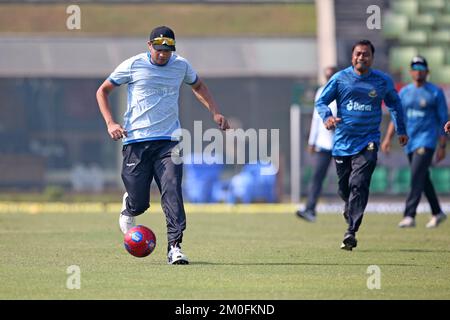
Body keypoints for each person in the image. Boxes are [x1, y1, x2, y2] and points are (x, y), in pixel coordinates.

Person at [96, 26, 230, 264]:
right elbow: (103, 91)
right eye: (159, 49)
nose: (163, 55)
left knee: (172, 189)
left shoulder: (181, 66)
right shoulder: (133, 65)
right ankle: (130, 205)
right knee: (140, 202)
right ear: (149, 46)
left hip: (169, 141)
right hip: (136, 141)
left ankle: (175, 247)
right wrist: (110, 123)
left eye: (167, 50)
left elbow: (199, 86)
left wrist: (215, 112)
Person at [315, 39, 408, 250]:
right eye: (358, 53)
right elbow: (321, 101)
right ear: (352, 56)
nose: (361, 57)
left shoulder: (382, 81)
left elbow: (395, 104)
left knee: (359, 182)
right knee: (344, 187)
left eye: (365, 54)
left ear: (372, 58)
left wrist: (400, 130)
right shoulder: (340, 79)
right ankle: (349, 207)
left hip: (368, 141)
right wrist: (327, 117)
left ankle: (351, 231)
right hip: (342, 143)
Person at [381, 56, 448, 228]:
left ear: (427, 72)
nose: (418, 71)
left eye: (421, 68)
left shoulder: (435, 92)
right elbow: (396, 116)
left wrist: (442, 146)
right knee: (423, 177)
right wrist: (388, 138)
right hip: (409, 141)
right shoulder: (404, 92)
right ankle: (437, 212)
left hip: (427, 140)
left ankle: (409, 215)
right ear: (410, 72)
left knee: (416, 174)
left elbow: (443, 121)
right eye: (415, 68)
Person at [296, 66, 338, 222]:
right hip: (323, 143)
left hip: (341, 143)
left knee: (347, 178)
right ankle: (310, 209)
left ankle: (351, 210)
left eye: (331, 75)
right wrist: (312, 141)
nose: (329, 79)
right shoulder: (320, 92)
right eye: (326, 76)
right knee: (317, 177)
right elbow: (316, 118)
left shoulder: (344, 91)